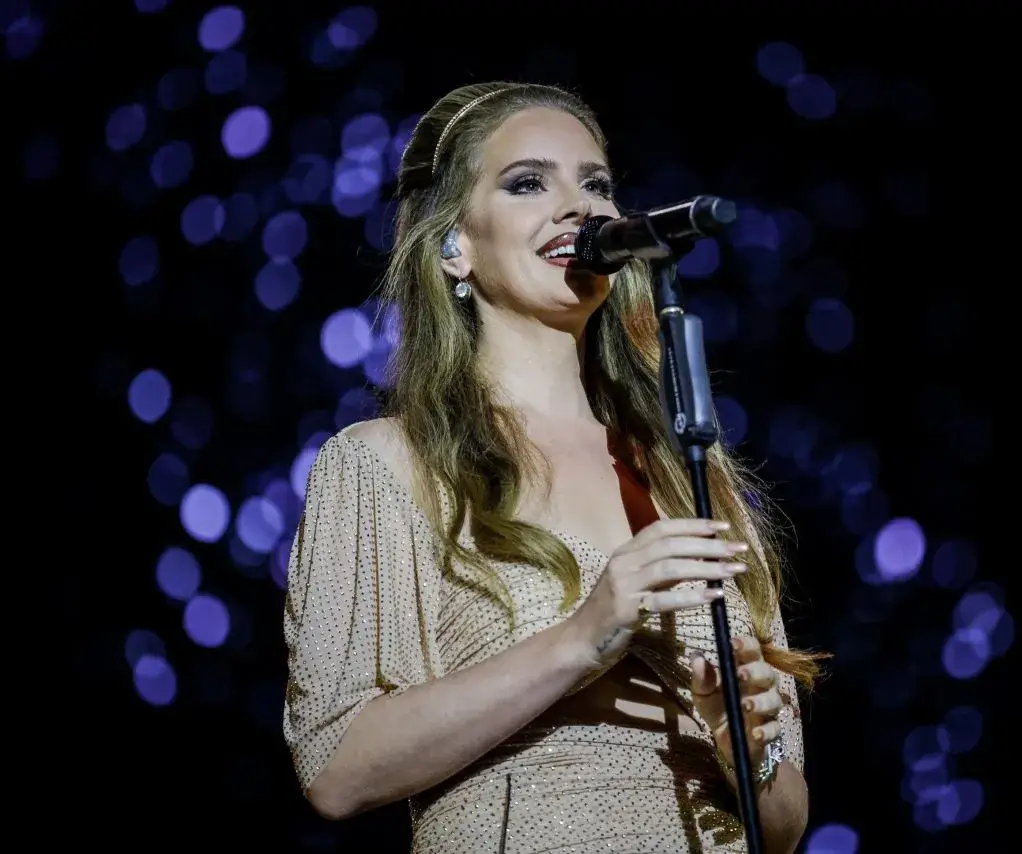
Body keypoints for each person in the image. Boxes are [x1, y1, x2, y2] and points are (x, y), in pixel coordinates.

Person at [282, 81, 828, 853]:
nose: (581, 207)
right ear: (454, 245)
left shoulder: (693, 478)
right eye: (528, 182)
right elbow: (335, 769)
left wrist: (746, 746)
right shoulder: (384, 464)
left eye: (597, 184)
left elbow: (785, 828)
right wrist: (585, 637)